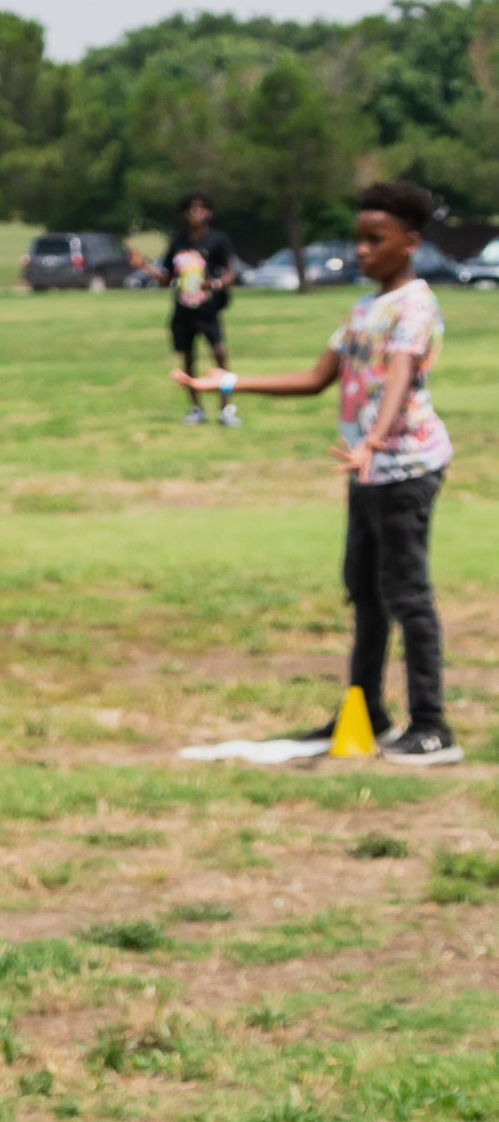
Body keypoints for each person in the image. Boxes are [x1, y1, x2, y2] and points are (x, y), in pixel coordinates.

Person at [175, 180, 457, 765]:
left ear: (409, 242)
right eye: (358, 239)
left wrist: (375, 441)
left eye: (375, 240)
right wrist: (227, 382)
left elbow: (401, 375)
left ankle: (432, 727)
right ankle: (367, 710)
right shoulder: (363, 309)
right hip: (368, 472)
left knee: (408, 595)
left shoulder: (415, 305)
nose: (361, 250)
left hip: (403, 469)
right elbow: (316, 378)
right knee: (365, 591)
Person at [160, 192, 239, 426]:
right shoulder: (178, 241)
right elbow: (166, 278)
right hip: (184, 309)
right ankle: (196, 408)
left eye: (201, 208)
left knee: (219, 355)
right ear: (184, 213)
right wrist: (144, 265)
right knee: (188, 359)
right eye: (191, 209)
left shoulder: (218, 240)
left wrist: (213, 284)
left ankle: (226, 408)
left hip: (208, 309)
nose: (196, 212)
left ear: (209, 213)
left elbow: (230, 273)